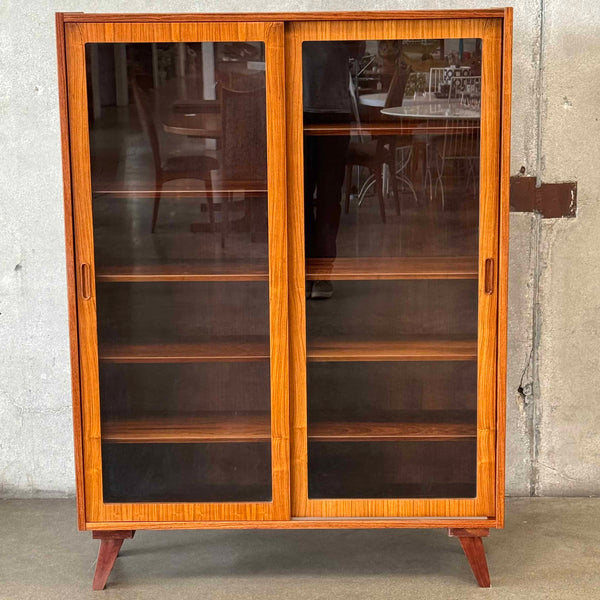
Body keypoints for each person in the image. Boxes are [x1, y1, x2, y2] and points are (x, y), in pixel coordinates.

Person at [302, 41, 365, 298]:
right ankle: (304, 270)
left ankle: (321, 273)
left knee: (329, 196)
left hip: (334, 112)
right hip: (297, 108)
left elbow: (357, 47)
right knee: (301, 196)